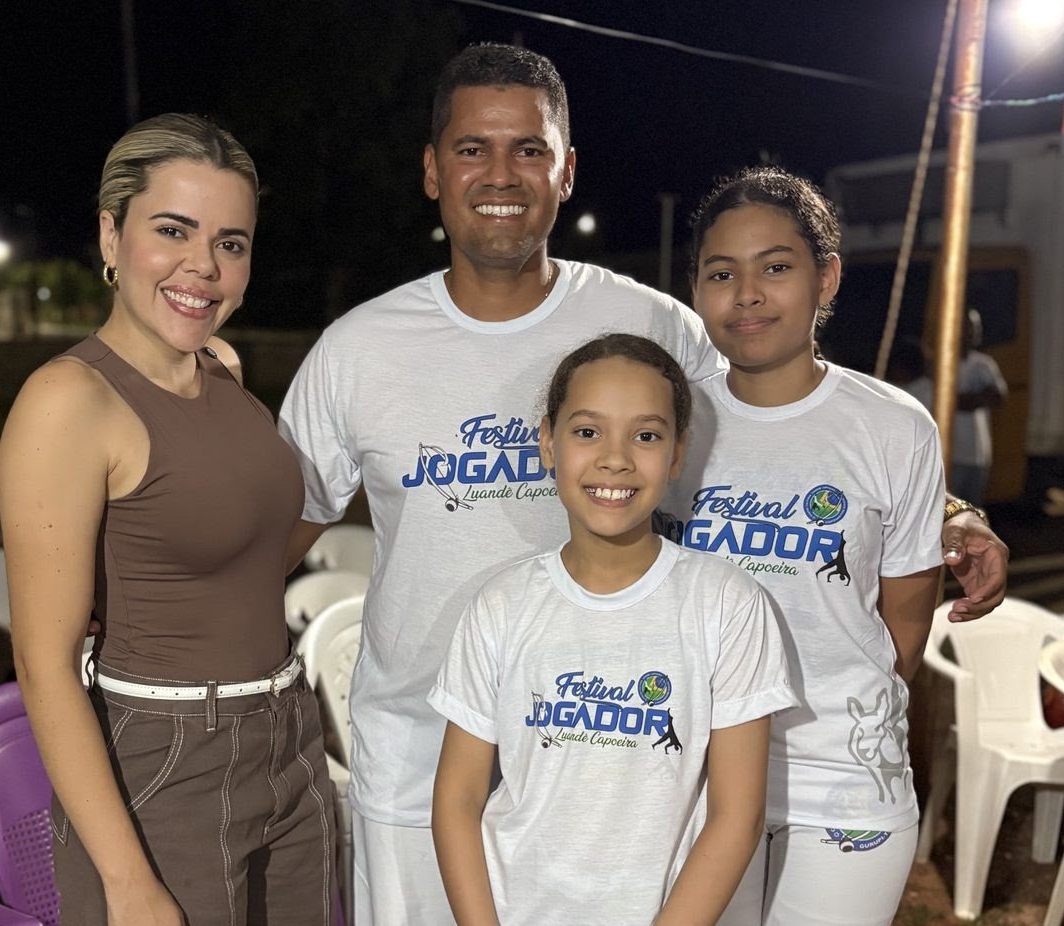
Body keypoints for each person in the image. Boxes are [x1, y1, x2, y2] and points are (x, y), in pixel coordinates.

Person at [277, 43, 1008, 922]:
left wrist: (947, 513)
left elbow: (786, 427)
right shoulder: (359, 349)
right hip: (419, 764)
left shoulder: (652, 325)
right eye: (473, 148)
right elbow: (274, 529)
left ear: (567, 170)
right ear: (433, 169)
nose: (501, 174)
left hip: (624, 777)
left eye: (530, 149)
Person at [0, 114, 336, 926]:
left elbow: (246, 563)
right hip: (165, 763)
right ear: (110, 237)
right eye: (173, 231)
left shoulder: (223, 375)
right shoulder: (68, 400)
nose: (204, 266)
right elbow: (44, 664)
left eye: (230, 242)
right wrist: (127, 882)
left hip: (290, 738)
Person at [430, 334, 797, 925]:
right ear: (548, 443)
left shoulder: (727, 604)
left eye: (646, 436)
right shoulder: (500, 605)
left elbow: (737, 816)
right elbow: (457, 798)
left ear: (677, 454)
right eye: (587, 431)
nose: (615, 458)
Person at [662, 166, 945, 926]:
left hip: (843, 784)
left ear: (827, 278)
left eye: (776, 268)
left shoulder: (896, 428)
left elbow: (906, 622)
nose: (747, 295)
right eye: (722, 274)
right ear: (697, 291)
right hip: (693, 778)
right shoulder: (669, 423)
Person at [900, 310, 1007, 506]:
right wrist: (975, 397)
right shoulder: (940, 363)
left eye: (975, 329)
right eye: (967, 328)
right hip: (949, 454)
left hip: (979, 454)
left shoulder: (983, 364)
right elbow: (947, 403)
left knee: (973, 511)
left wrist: (962, 399)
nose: (972, 333)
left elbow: (997, 398)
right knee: (947, 511)